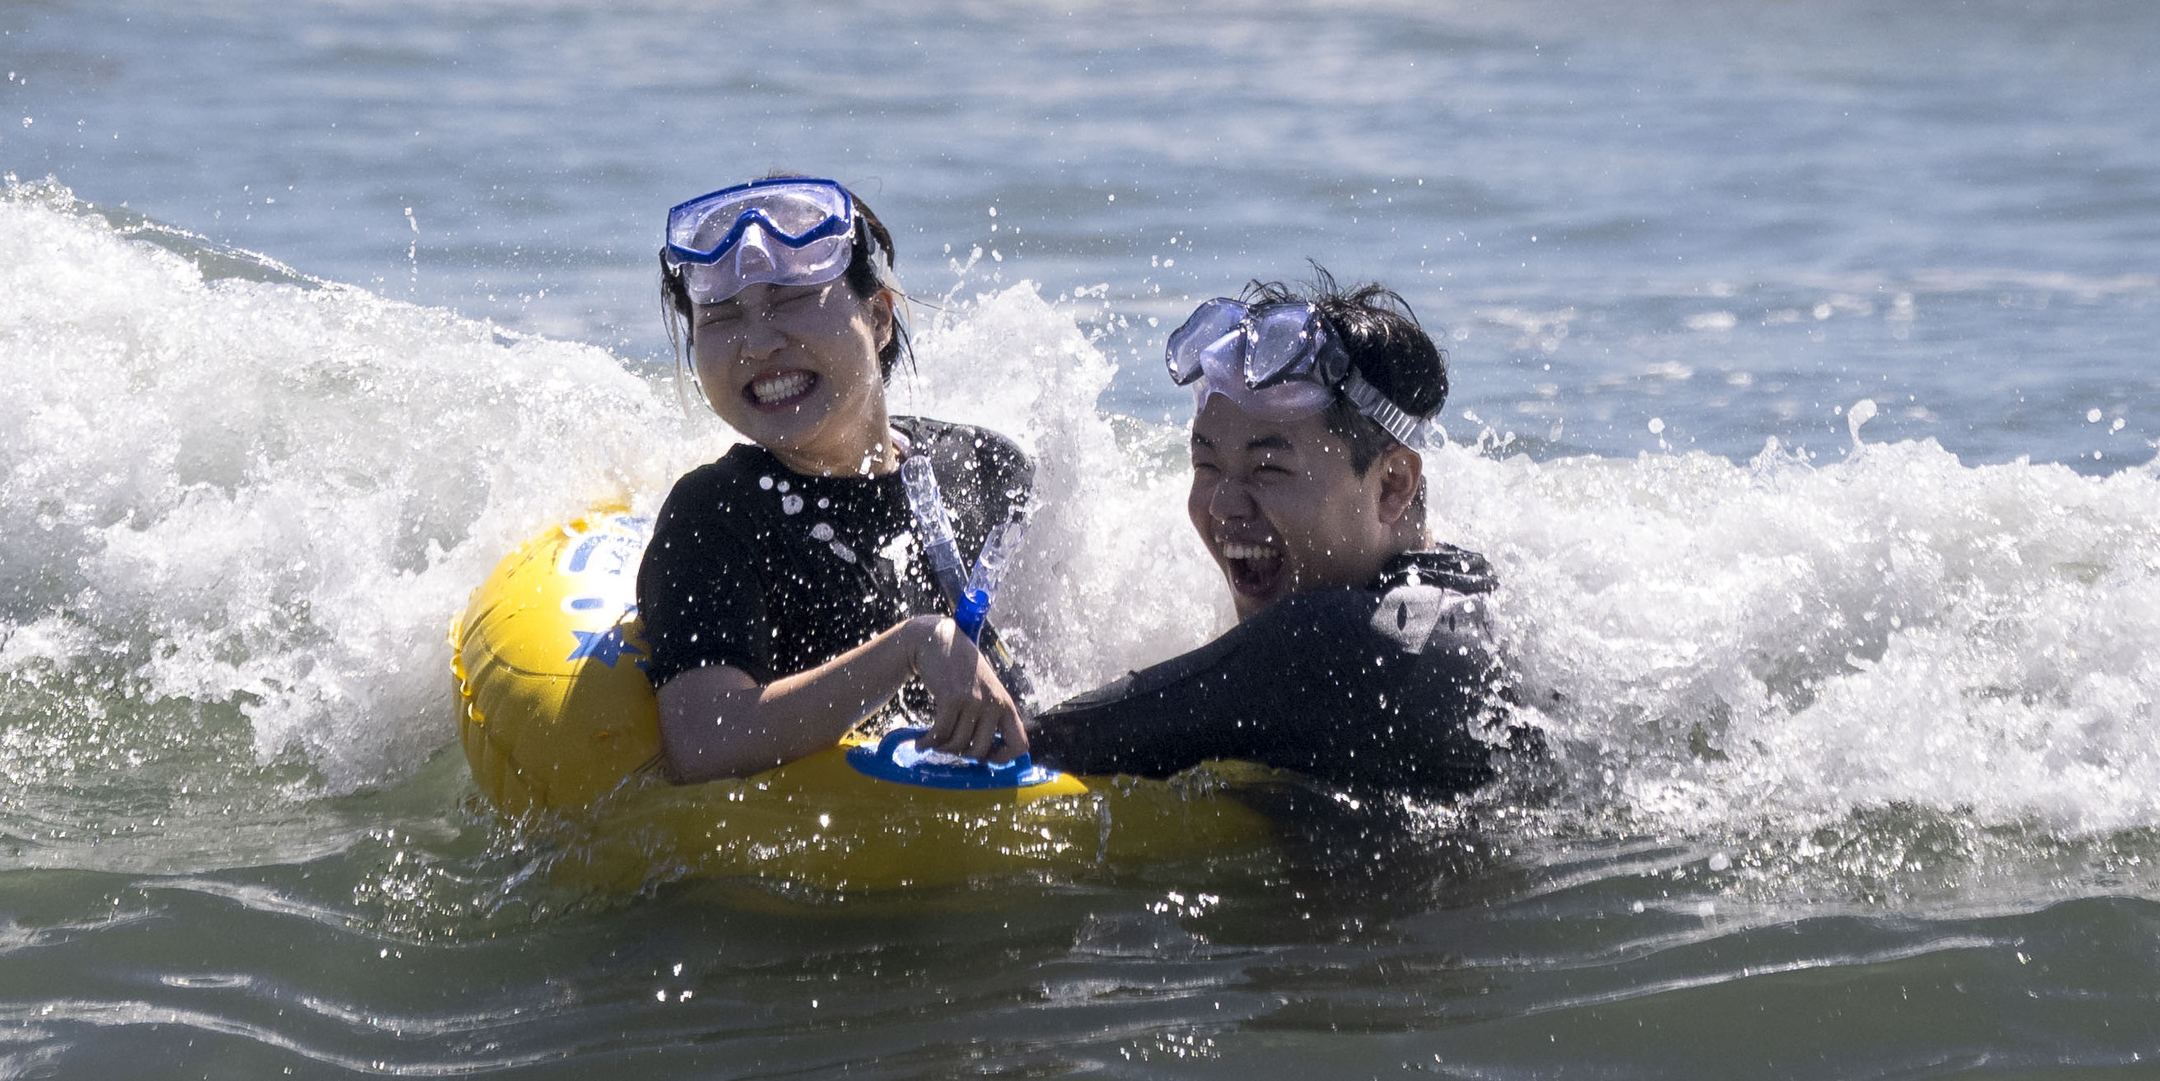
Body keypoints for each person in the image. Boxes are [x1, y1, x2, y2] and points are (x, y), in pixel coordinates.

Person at [1024, 272, 1524, 802]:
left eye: (1268, 469)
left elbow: (1033, 739)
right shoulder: (1464, 597)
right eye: (1206, 465)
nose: (1221, 505)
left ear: (1392, 484)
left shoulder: (1363, 643)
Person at [632, 177, 1037, 784]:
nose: (759, 343)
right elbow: (704, 741)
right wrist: (910, 648)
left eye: (789, 300)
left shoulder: (987, 467)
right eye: (720, 316)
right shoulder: (713, 517)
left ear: (878, 316)